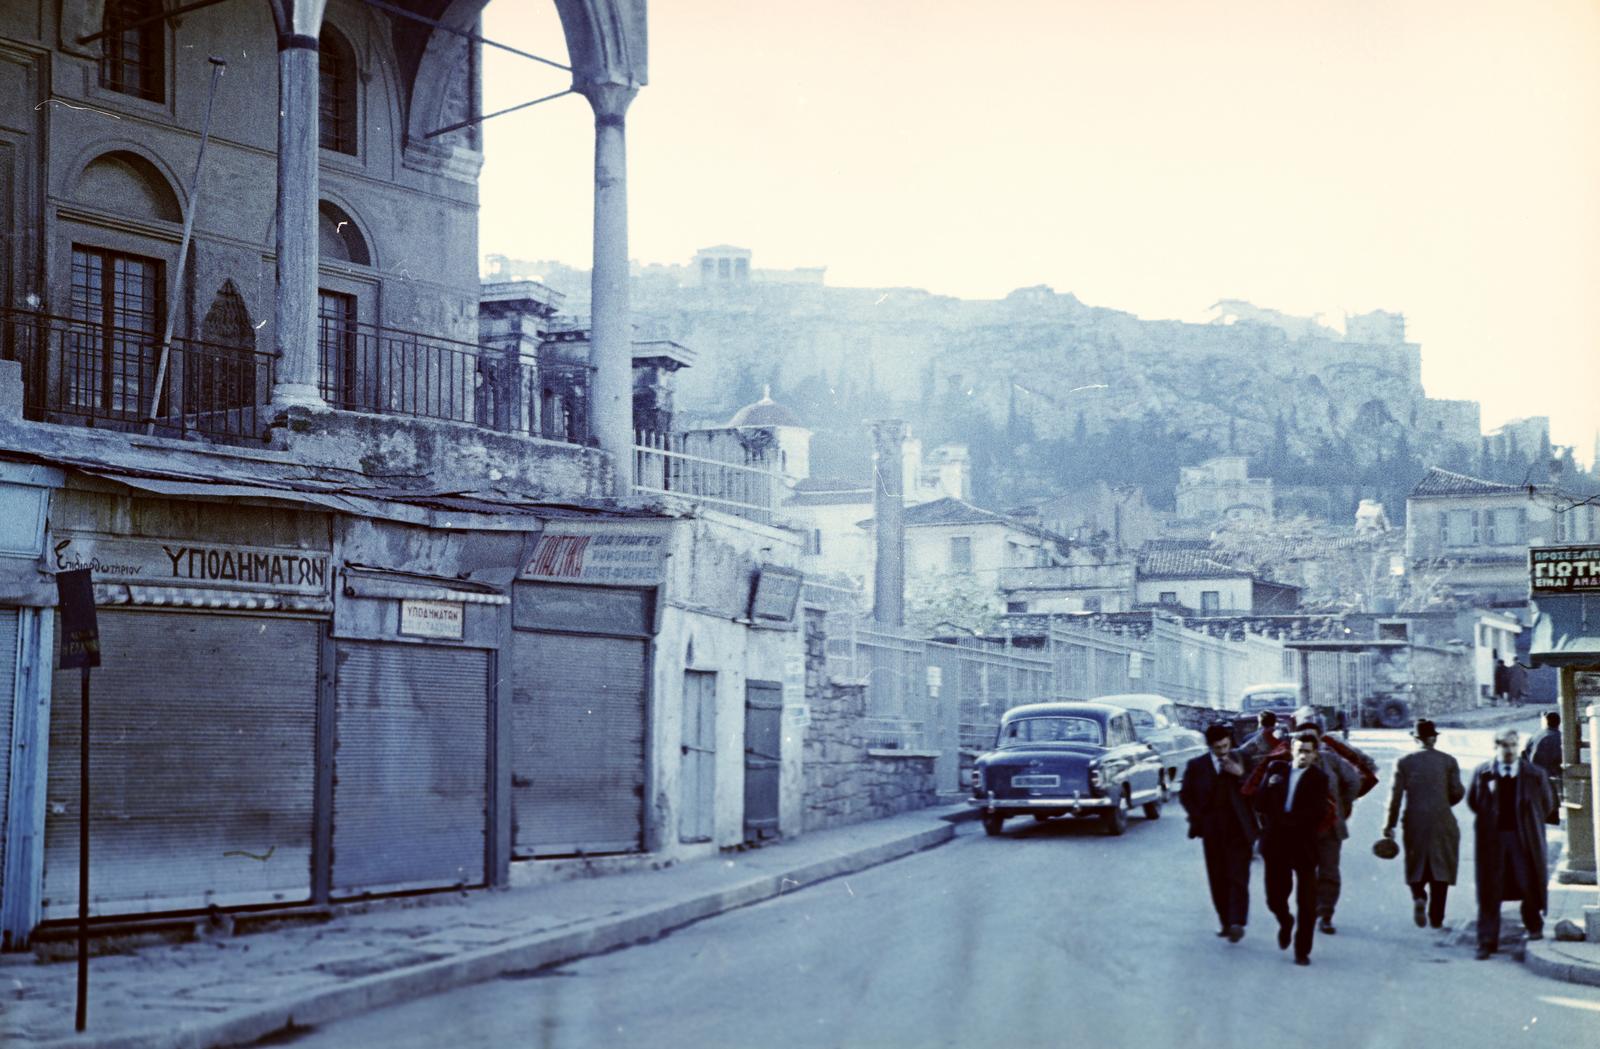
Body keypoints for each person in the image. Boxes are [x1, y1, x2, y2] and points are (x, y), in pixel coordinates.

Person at [1466, 729, 1556, 960]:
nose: (1510, 750)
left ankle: (1534, 926)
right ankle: (1487, 941)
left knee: (1528, 882)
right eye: (1505, 746)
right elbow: (1475, 802)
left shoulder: (1535, 774)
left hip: (1524, 839)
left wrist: (1528, 823)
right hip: (1493, 840)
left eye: (1514, 745)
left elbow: (1545, 805)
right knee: (1490, 889)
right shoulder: (1483, 773)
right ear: (1496, 747)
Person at [1252, 731, 1331, 966]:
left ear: (1315, 754)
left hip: (1303, 845)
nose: (1302, 756)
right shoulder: (1276, 769)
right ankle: (1285, 921)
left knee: (1306, 901)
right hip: (1276, 843)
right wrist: (1269, 786)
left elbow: (1316, 813)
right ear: (1291, 750)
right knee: (1274, 898)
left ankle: (1302, 950)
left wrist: (1283, 821)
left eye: (1308, 751)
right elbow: (1259, 803)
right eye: (1299, 750)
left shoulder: (1319, 779)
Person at [1381, 719, 1465, 929]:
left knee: (1415, 862)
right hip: (1443, 820)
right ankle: (1437, 917)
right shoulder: (1449, 761)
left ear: (1416, 739)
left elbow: (1395, 797)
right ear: (1434, 738)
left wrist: (1389, 825)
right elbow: (1457, 792)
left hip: (1414, 820)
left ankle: (1419, 896)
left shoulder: (1404, 762)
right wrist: (1443, 801)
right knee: (1441, 867)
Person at [1179, 723, 1257, 943]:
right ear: (1209, 746)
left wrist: (1241, 774)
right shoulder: (1196, 766)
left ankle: (1237, 922)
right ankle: (1225, 921)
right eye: (1218, 748)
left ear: (1230, 741)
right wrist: (1199, 819)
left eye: (1225, 745)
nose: (1223, 751)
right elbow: (1186, 795)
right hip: (1212, 831)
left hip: (1239, 829)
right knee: (1218, 878)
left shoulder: (1243, 760)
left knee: (1238, 877)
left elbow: (1257, 789)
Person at [1523, 712, 1563, 824]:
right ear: (1559, 723)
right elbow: (1560, 759)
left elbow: (1525, 753)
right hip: (1550, 775)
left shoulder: (1536, 735)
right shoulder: (1559, 737)